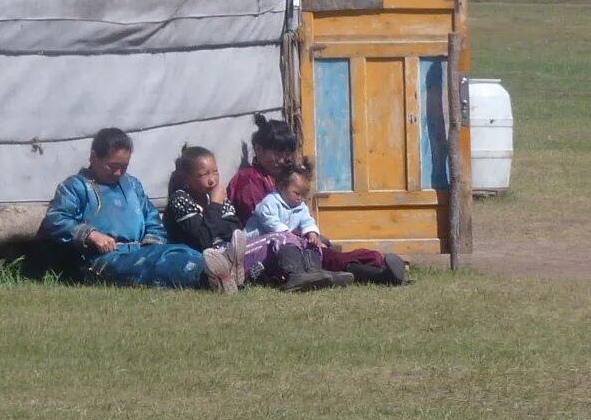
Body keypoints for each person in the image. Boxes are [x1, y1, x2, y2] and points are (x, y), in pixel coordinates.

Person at [42, 127, 236, 290]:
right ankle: (213, 278)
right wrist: (92, 235)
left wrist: (152, 244)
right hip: (102, 261)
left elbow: (153, 221)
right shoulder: (75, 187)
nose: (118, 173)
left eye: (124, 167)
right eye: (112, 166)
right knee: (156, 263)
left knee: (180, 251)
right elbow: (55, 220)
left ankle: (223, 269)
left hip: (141, 252)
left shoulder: (132, 185)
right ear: (94, 157)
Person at [166, 145, 345, 291]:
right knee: (280, 237)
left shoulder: (217, 197)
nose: (212, 180)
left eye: (215, 172)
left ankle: (316, 273)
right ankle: (295, 277)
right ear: (187, 178)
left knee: (305, 240)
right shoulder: (181, 200)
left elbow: (234, 231)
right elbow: (204, 240)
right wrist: (215, 206)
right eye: (204, 175)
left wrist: (215, 216)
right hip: (207, 260)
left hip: (232, 254)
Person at [247, 160, 410, 285]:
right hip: (271, 249)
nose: (300, 198)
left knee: (329, 256)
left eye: (304, 194)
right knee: (329, 259)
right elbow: (275, 227)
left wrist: (311, 232)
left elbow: (306, 220)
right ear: (281, 187)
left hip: (295, 246)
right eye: (296, 193)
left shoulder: (299, 205)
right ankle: (378, 269)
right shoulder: (270, 202)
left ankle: (381, 271)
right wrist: (297, 238)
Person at [226, 116, 298, 229]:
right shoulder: (249, 180)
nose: (284, 160)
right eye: (278, 154)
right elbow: (262, 220)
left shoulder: (283, 178)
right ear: (258, 149)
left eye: (287, 154)